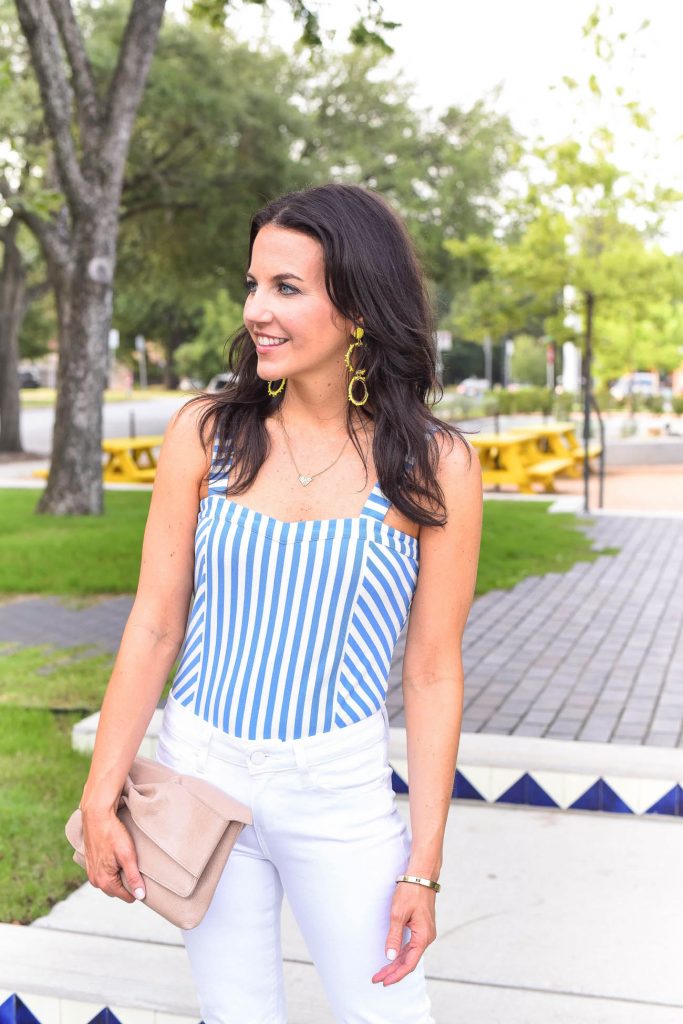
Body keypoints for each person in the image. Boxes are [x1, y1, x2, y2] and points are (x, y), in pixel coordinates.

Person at [79, 183, 483, 1023]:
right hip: (200, 775)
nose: (257, 309)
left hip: (334, 790)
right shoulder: (207, 433)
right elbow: (155, 624)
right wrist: (100, 792)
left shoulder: (433, 465)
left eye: (287, 288)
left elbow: (433, 671)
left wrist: (424, 862)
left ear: (359, 308)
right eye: (253, 283)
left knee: (388, 1014)